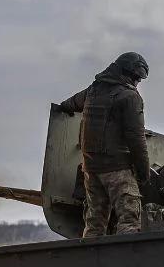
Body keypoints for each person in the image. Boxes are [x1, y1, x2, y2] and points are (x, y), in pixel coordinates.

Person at [58, 52, 151, 237]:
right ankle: (127, 262)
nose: (137, 82)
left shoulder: (93, 91)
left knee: (94, 222)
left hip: (91, 169)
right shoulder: (130, 97)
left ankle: (91, 261)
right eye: (136, 78)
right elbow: (136, 138)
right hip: (118, 169)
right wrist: (143, 171)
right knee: (129, 220)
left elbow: (70, 103)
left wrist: (62, 107)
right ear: (127, 73)